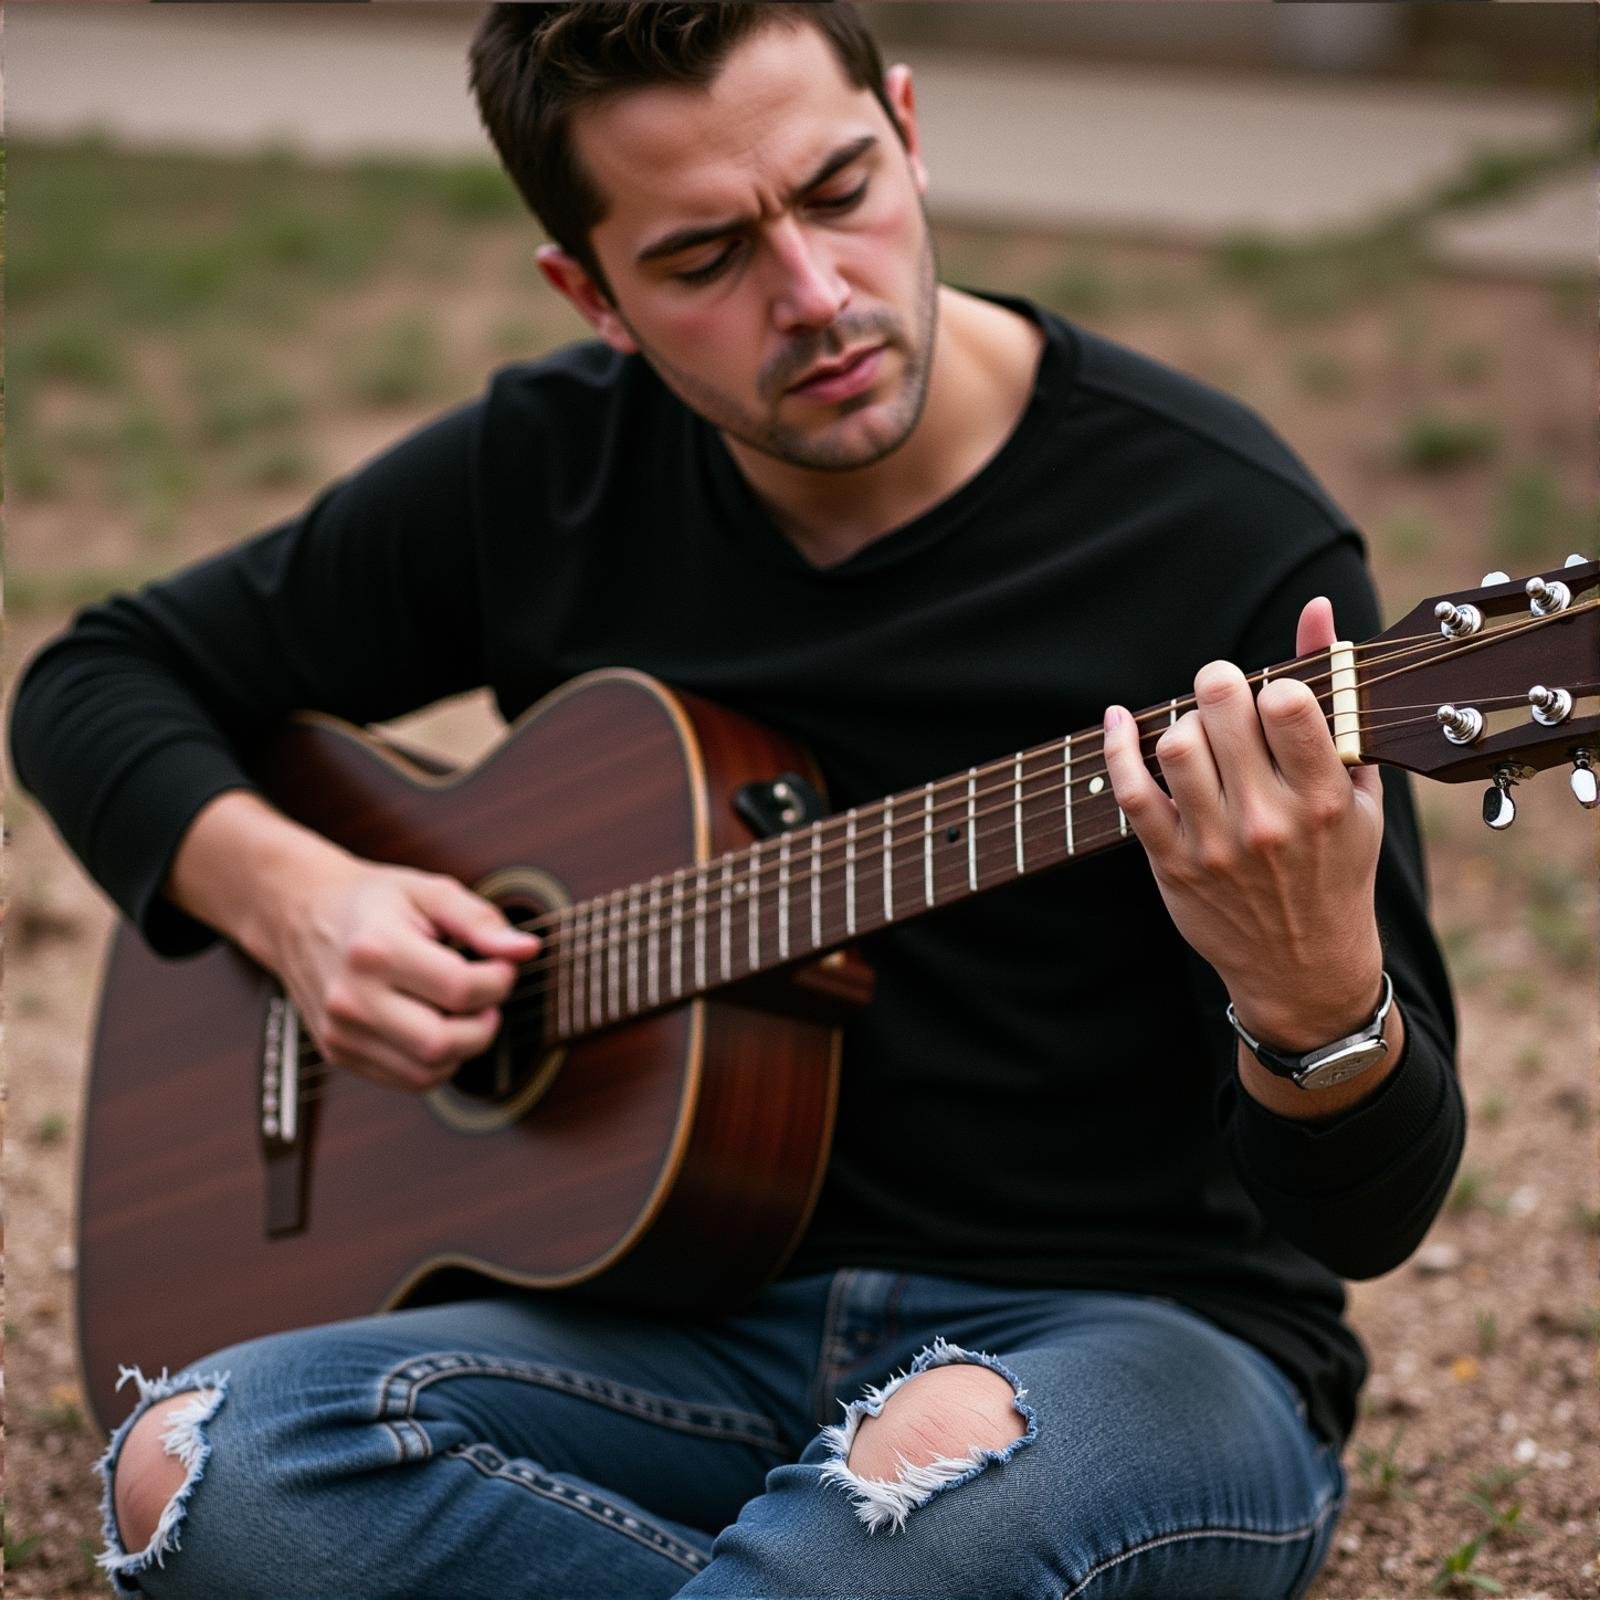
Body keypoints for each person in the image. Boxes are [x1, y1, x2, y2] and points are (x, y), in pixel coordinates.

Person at [10, 5, 1462, 1597]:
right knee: (194, 1468)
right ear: (595, 293)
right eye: (704, 260)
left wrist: (1308, 991)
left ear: (908, 129)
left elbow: (1366, 1215)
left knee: (916, 1491)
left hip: (1120, 1338)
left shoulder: (1221, 543)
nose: (816, 295)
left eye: (841, 189)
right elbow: (97, 680)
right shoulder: (553, 472)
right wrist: (300, 901)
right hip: (665, 1331)